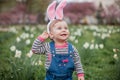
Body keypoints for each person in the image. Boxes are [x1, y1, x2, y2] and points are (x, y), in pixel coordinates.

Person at [32, 0, 84, 80]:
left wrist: (80, 74)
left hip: (67, 77)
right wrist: (41, 38)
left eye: (66, 28)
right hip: (51, 77)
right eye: (59, 28)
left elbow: (77, 61)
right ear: (51, 34)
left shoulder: (71, 48)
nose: (64, 30)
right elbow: (35, 50)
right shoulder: (48, 47)